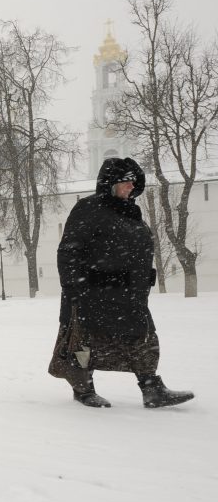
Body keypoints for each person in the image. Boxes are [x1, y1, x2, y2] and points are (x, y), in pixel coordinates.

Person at [50, 157, 194, 409]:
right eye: (125, 182)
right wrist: (73, 286)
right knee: (84, 343)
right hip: (92, 293)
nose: (130, 186)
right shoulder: (88, 209)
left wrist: (142, 278)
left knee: (143, 338)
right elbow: (69, 251)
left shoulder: (131, 212)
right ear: (109, 184)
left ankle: (152, 389)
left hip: (129, 295)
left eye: (133, 182)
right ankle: (84, 389)